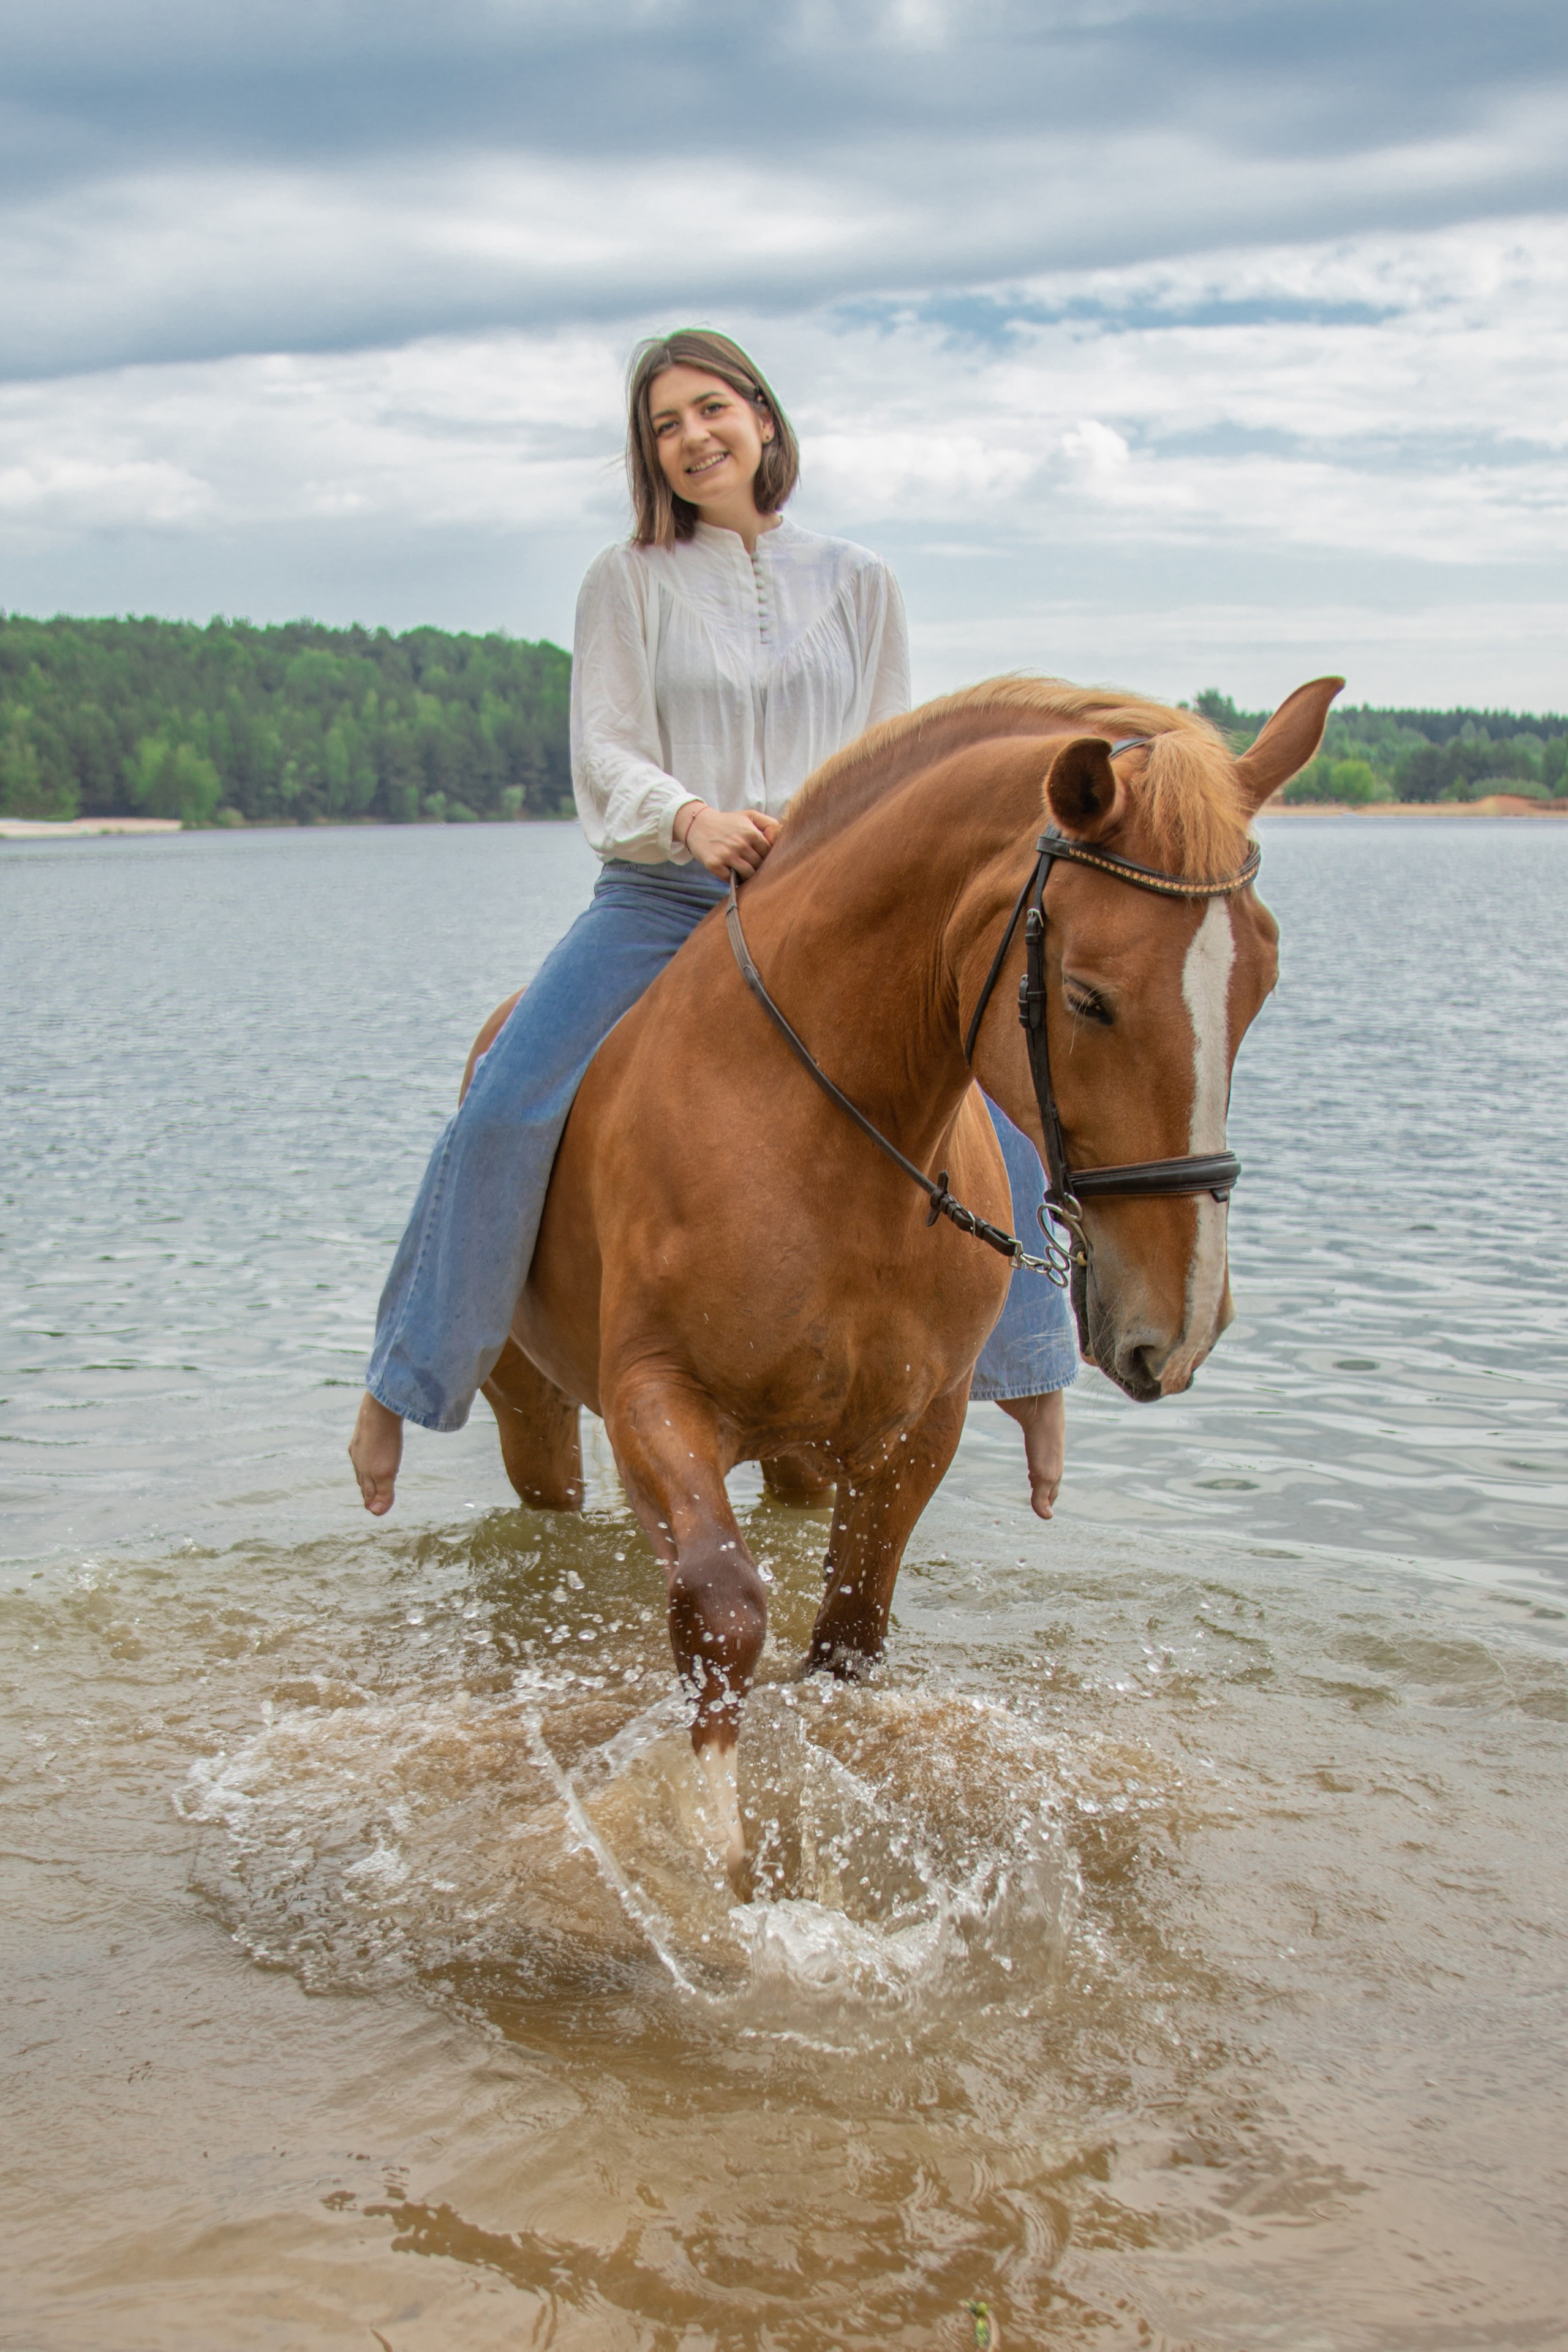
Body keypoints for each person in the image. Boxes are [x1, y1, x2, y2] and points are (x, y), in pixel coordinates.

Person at [349, 329, 1077, 1521]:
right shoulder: (623, 581)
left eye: (708, 410)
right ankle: (405, 1381)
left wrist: (824, 839)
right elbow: (604, 747)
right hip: (661, 894)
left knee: (995, 1094)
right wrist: (687, 818)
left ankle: (1031, 1377)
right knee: (503, 1099)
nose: (690, 439)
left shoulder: (861, 582)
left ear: (764, 420)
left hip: (826, 901)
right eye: (662, 428)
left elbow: (882, 752)